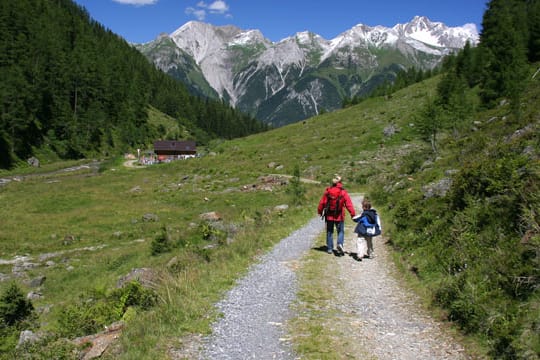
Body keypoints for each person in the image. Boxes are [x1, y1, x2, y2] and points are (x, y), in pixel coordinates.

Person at [317, 175, 356, 254]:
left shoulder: (328, 191)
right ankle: (339, 244)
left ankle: (330, 248)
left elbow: (322, 202)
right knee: (340, 231)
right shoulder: (343, 192)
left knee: (329, 231)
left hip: (329, 215)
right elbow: (348, 204)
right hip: (339, 215)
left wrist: (320, 211)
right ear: (340, 183)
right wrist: (352, 214)